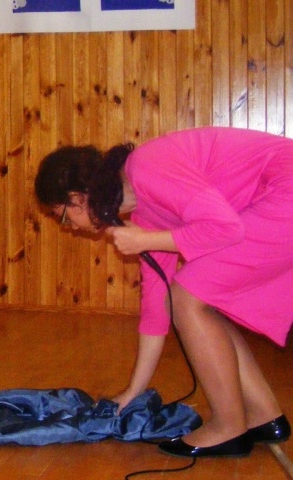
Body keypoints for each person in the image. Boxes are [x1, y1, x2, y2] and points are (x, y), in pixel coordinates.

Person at [34, 127, 292, 458]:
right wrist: (133, 391)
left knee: (188, 295)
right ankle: (264, 415)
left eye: (63, 218)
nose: (70, 228)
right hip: (278, 194)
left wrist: (146, 240)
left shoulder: (146, 167)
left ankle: (229, 427)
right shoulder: (144, 211)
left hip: (284, 189)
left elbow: (227, 228)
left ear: (77, 198)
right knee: (195, 299)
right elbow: (157, 308)